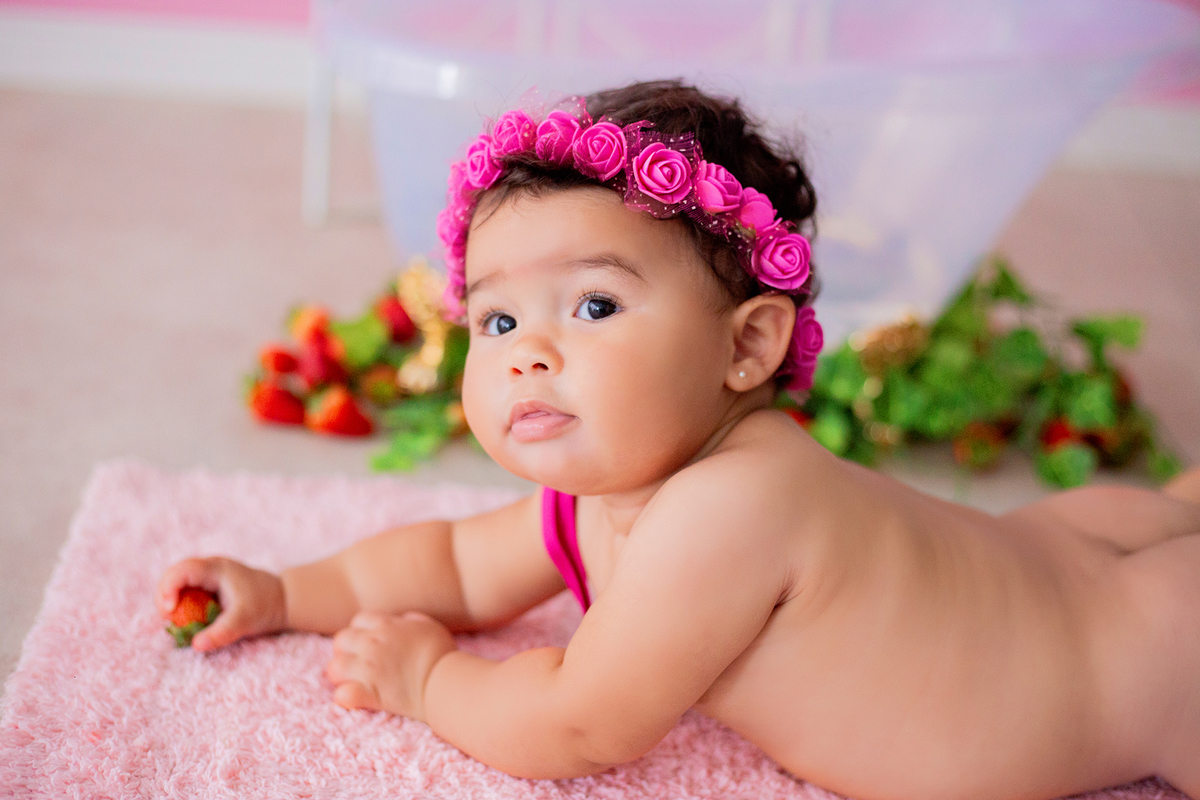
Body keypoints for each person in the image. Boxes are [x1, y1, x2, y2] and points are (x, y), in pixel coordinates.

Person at [157, 80, 1200, 800]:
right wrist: (287, 593)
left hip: (1142, 662)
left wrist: (429, 682)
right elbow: (455, 565)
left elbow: (579, 724)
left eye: (595, 306)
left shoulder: (728, 504)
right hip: (1063, 545)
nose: (527, 354)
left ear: (745, 345)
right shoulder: (611, 486)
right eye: (498, 319)